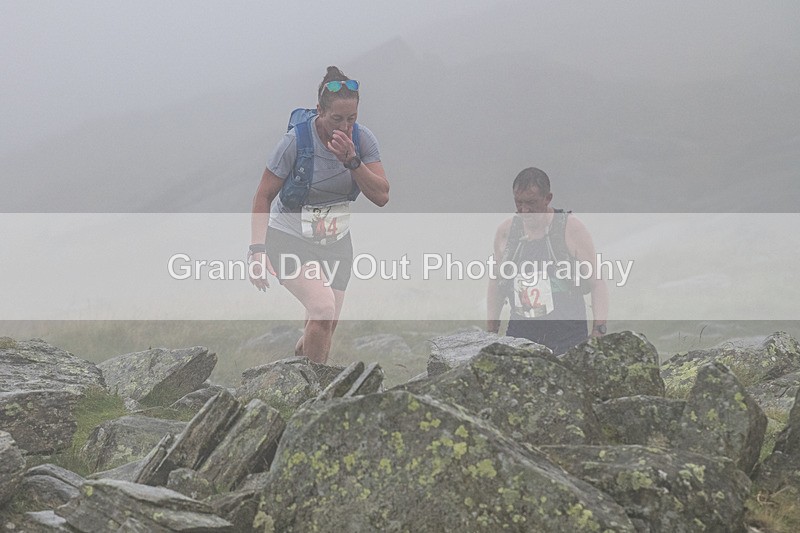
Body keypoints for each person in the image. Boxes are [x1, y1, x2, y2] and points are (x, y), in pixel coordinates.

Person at [249, 66, 389, 364]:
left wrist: (352, 161)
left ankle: (301, 358)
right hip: (288, 239)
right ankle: (315, 399)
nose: (345, 126)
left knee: (324, 326)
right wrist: (257, 250)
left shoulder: (363, 142)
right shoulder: (294, 142)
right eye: (336, 118)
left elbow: (382, 196)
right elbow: (263, 195)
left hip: (337, 241)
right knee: (323, 311)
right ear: (319, 111)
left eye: (351, 119)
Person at [486, 167, 607, 355]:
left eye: (531, 203)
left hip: (568, 335)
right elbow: (496, 283)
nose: (525, 210)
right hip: (520, 334)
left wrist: (598, 332)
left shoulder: (570, 228)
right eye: (519, 202)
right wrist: (491, 331)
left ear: (548, 198)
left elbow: (597, 283)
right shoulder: (506, 232)